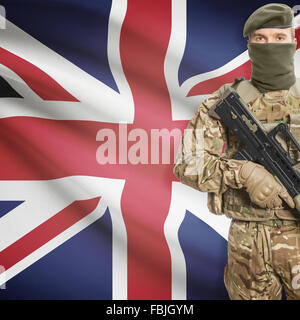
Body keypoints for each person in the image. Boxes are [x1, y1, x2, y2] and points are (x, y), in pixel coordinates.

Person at [173, 3, 300, 300]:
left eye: (279, 39)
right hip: (247, 244)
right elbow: (188, 163)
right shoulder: (227, 102)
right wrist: (242, 172)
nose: (270, 46)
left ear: (293, 42)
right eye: (261, 39)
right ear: (250, 45)